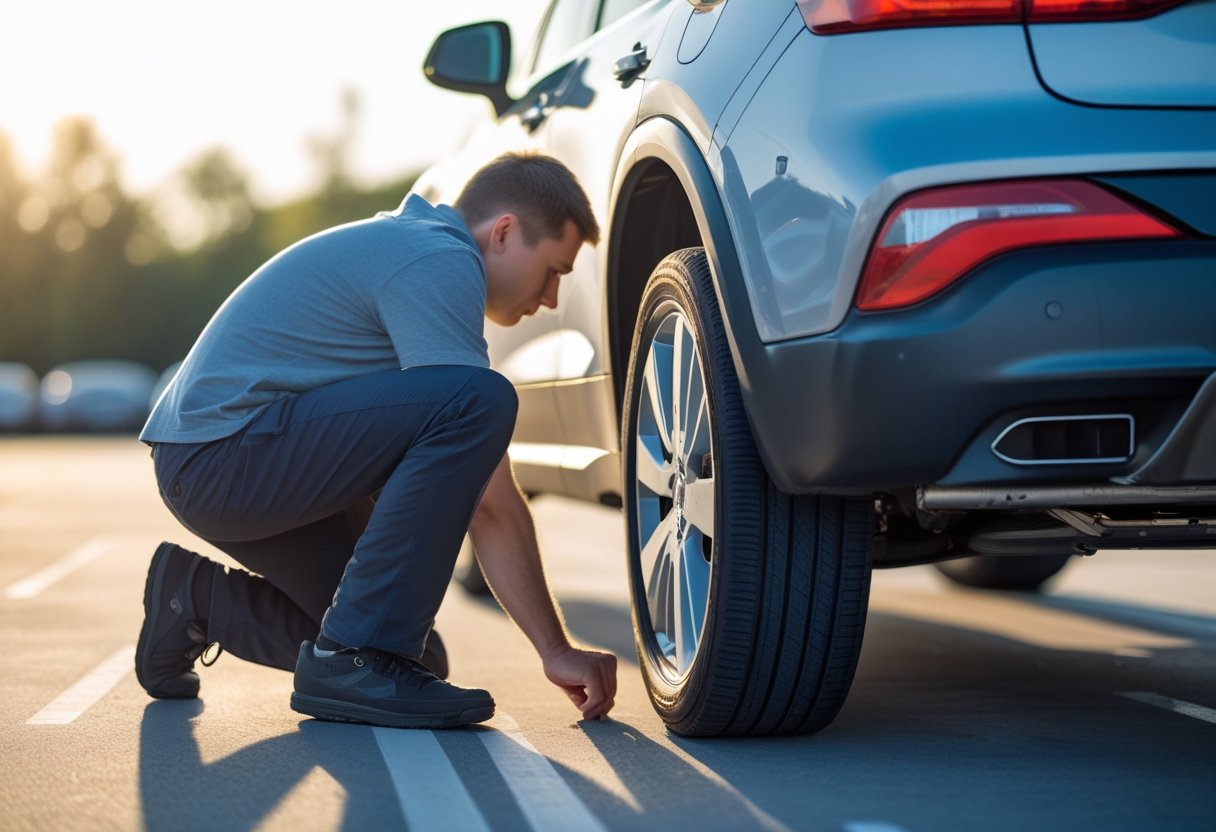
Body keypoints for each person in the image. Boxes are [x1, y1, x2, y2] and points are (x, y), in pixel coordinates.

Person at [135, 151, 617, 729]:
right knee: (479, 399)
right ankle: (348, 658)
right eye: (555, 271)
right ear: (505, 233)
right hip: (225, 456)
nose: (552, 299)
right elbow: (488, 499)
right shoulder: (440, 259)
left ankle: (192, 602)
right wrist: (555, 650)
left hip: (221, 462)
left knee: (406, 656)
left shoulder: (415, 247)